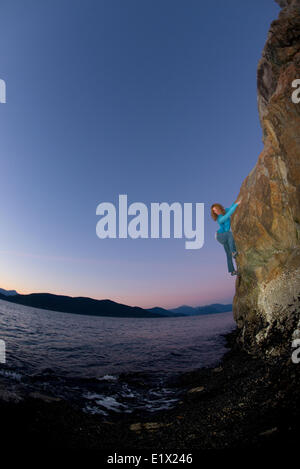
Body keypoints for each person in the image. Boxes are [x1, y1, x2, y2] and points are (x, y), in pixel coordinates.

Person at [211, 200, 241, 276]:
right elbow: (228, 215)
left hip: (224, 235)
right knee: (230, 234)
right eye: (214, 211)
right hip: (220, 236)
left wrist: (235, 202)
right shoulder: (219, 219)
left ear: (219, 207)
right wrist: (236, 205)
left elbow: (230, 208)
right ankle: (233, 252)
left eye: (216, 209)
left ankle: (232, 271)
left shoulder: (224, 211)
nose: (216, 212)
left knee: (228, 254)